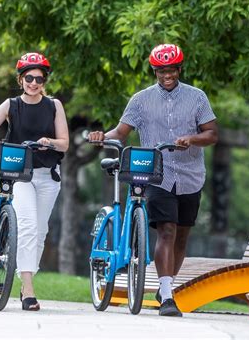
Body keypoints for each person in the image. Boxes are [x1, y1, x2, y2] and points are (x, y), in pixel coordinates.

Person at [88, 44, 218, 317]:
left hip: (191, 176)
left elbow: (211, 134)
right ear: (155, 71)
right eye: (161, 71)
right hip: (156, 173)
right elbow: (121, 132)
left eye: (171, 70)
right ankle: (167, 295)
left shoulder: (197, 97)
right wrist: (102, 137)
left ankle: (166, 286)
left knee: (182, 235)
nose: (166, 75)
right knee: (166, 230)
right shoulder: (140, 100)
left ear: (179, 69)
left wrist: (191, 139)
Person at [0, 52, 69, 311]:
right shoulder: (11, 105)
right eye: (29, 77)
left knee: (40, 232)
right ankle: (29, 291)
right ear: (20, 79)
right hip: (18, 174)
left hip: (47, 175)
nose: (34, 83)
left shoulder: (55, 106)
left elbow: (64, 143)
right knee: (28, 225)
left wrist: (48, 142)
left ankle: (23, 279)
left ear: (45, 81)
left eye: (39, 79)